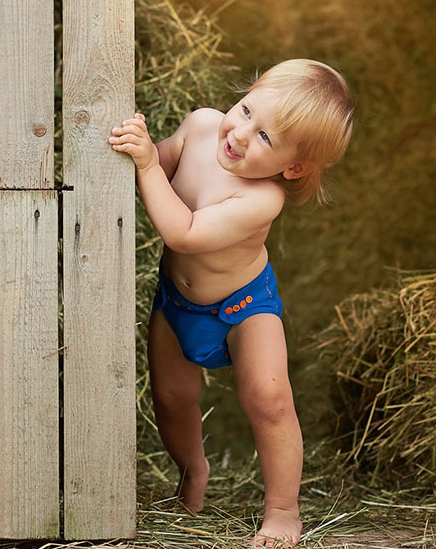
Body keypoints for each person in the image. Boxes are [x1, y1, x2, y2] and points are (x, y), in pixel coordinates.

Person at [108, 59, 354, 547]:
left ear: (294, 166)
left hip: (244, 309)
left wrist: (148, 166)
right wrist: (142, 148)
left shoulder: (263, 198)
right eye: (245, 111)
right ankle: (192, 472)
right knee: (173, 399)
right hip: (178, 302)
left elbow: (184, 232)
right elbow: (160, 160)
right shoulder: (201, 125)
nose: (240, 134)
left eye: (265, 138)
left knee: (269, 399)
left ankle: (283, 510)